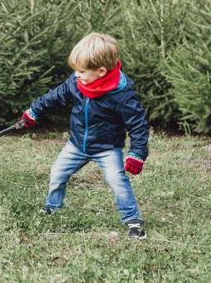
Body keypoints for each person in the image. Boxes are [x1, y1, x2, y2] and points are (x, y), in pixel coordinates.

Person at [21, 33, 149, 239]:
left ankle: (132, 219)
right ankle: (53, 207)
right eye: (76, 71)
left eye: (81, 71)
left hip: (107, 148)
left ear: (101, 71)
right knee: (57, 174)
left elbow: (138, 124)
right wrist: (34, 110)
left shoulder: (121, 94)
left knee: (118, 181)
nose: (77, 75)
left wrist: (137, 153)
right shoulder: (77, 82)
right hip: (77, 145)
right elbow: (56, 95)